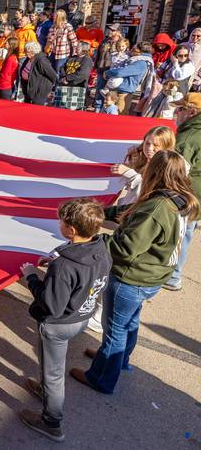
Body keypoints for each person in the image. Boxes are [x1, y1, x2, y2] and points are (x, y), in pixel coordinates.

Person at [71, 150, 198, 394]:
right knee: (129, 323)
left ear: (156, 173)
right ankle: (119, 360)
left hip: (132, 277)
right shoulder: (176, 198)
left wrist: (90, 240)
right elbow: (128, 214)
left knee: (115, 329)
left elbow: (126, 248)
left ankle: (101, 378)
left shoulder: (156, 207)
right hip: (151, 276)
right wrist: (97, 213)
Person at [19, 199, 111, 442]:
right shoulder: (100, 249)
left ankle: (51, 422)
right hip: (81, 317)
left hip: (58, 325)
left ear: (71, 229)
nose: (58, 223)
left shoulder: (64, 266)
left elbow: (51, 304)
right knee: (51, 369)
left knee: (54, 374)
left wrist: (31, 277)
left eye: (61, 221)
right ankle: (46, 392)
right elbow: (83, 274)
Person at [169, 92, 201, 291]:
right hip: (196, 192)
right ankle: (175, 274)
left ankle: (172, 275)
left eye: (179, 109)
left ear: (190, 112)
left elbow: (175, 169)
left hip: (187, 191)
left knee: (178, 232)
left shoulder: (188, 135)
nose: (176, 112)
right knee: (187, 232)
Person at [104, 42, 154, 114]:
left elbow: (121, 72)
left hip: (124, 93)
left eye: (134, 49)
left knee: (119, 116)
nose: (131, 50)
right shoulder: (135, 59)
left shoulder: (141, 63)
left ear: (140, 51)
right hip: (120, 89)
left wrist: (107, 72)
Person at [46, 10, 78, 77]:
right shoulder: (53, 26)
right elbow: (49, 39)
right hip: (52, 52)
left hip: (62, 54)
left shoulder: (67, 26)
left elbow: (74, 40)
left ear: (60, 17)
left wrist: (75, 53)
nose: (53, 17)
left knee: (59, 71)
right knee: (51, 71)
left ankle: (57, 86)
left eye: (55, 15)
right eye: (54, 15)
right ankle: (52, 86)